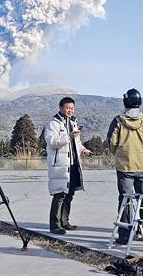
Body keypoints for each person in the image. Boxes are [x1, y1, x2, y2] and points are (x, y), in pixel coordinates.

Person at [106, 88, 143, 244]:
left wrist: (119, 153)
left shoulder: (118, 121)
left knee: (125, 200)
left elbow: (112, 143)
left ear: (125, 102)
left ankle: (125, 235)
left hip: (125, 167)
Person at [45, 96, 92, 235]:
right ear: (60, 108)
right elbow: (52, 141)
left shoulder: (73, 122)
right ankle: (54, 225)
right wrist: (69, 136)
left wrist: (83, 149)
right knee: (59, 194)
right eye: (67, 108)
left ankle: (65, 222)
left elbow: (76, 143)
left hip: (73, 164)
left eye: (72, 108)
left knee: (69, 194)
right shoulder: (53, 123)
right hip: (60, 164)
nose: (70, 110)